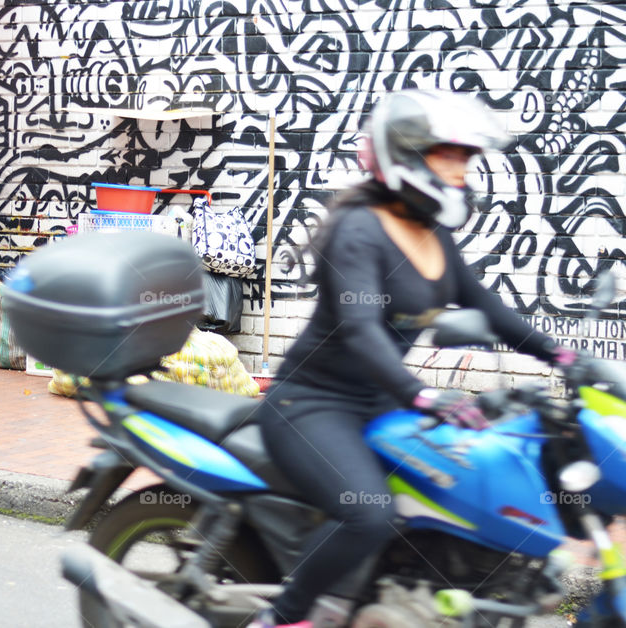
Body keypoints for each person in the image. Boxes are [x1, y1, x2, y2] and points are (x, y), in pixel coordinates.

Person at [249, 90, 583, 628]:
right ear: (406, 156)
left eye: (466, 157)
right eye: (446, 155)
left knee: (465, 480)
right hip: (312, 405)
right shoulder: (358, 231)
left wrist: (567, 357)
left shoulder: (434, 235)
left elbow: (489, 309)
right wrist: (422, 394)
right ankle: (283, 617)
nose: (461, 169)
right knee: (369, 514)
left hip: (380, 402)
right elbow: (359, 331)